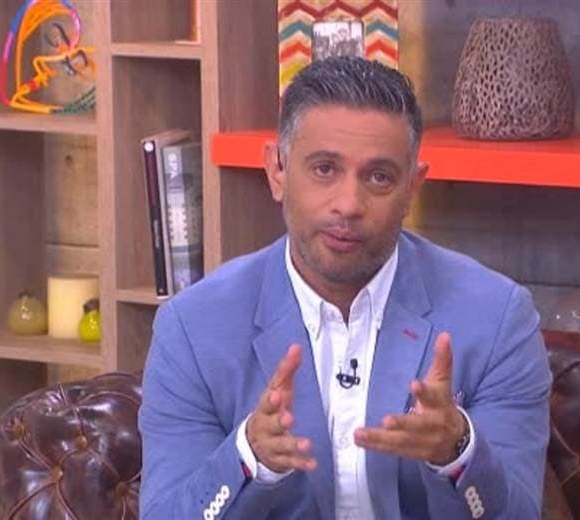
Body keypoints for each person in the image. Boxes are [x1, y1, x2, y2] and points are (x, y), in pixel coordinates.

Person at [139, 56, 552, 519]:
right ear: (277, 171)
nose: (349, 204)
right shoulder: (193, 327)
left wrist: (458, 453)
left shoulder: (497, 318)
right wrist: (248, 458)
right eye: (324, 169)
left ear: (412, 187)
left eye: (379, 177)